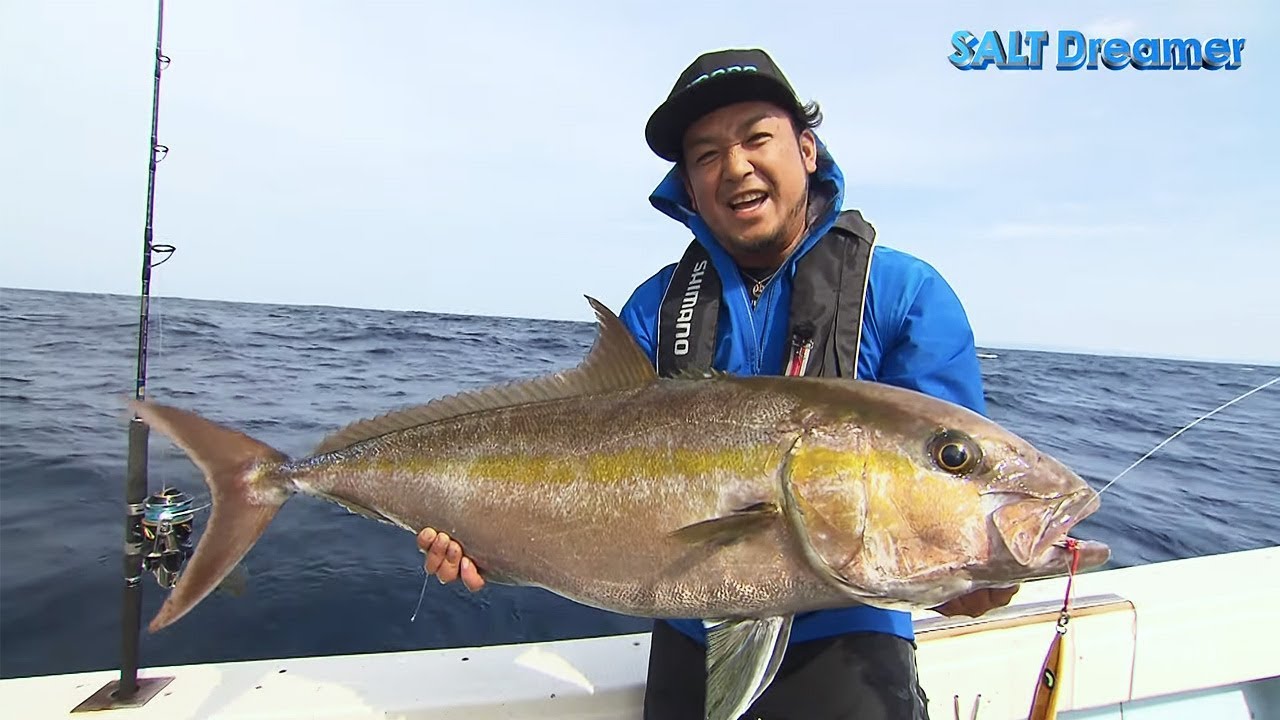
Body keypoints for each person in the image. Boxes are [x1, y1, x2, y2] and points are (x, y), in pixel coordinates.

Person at [416, 47, 1018, 719]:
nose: (735, 166)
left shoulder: (905, 296)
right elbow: (577, 467)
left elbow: (944, 487)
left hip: (849, 638)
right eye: (706, 155)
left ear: (808, 149)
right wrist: (484, 539)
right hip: (686, 633)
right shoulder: (655, 307)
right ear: (691, 189)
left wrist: (960, 572)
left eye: (757, 137)